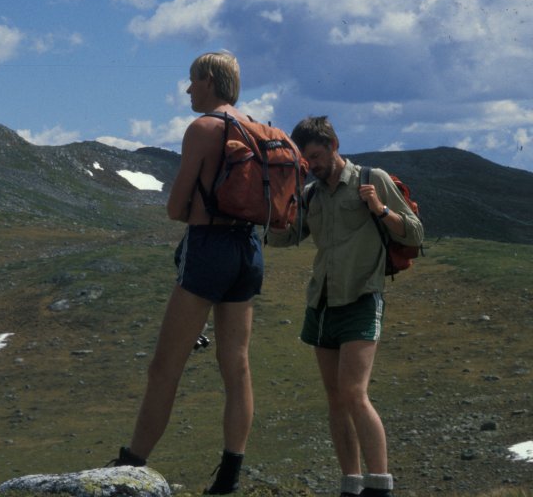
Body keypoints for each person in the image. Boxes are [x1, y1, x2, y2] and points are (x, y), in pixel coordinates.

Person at [109, 52, 263, 494]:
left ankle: (133, 463)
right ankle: (230, 476)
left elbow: (177, 208)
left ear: (211, 81)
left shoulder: (203, 128)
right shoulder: (253, 126)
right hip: (249, 249)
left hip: (208, 247)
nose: (188, 89)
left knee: (166, 366)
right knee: (236, 365)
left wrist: (187, 207)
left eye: (193, 81)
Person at [268, 116, 423, 497]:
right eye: (306, 162)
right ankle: (351, 486)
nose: (313, 166)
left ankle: (380, 486)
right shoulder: (312, 194)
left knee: (354, 392)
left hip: (361, 297)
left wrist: (381, 210)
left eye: (317, 156)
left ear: (334, 145)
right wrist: (267, 209)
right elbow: (288, 238)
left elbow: (416, 233)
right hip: (321, 302)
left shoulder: (373, 179)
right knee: (335, 399)